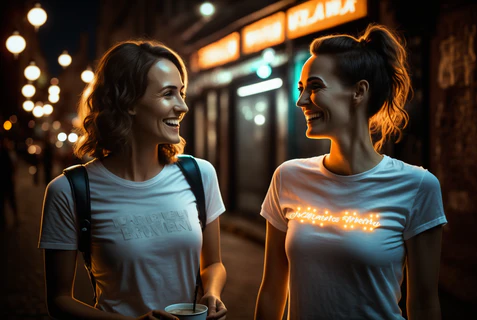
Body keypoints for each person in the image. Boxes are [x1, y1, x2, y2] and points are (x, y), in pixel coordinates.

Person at [255, 24, 447, 320]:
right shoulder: (288, 178)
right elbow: (272, 291)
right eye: (301, 88)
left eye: (315, 87)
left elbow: (423, 305)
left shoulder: (417, 186)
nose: (302, 101)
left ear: (359, 91)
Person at [38, 40, 227, 320]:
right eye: (168, 94)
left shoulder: (200, 175)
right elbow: (59, 301)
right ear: (128, 102)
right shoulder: (70, 190)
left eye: (182, 93)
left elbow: (213, 263)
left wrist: (212, 292)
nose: (183, 106)